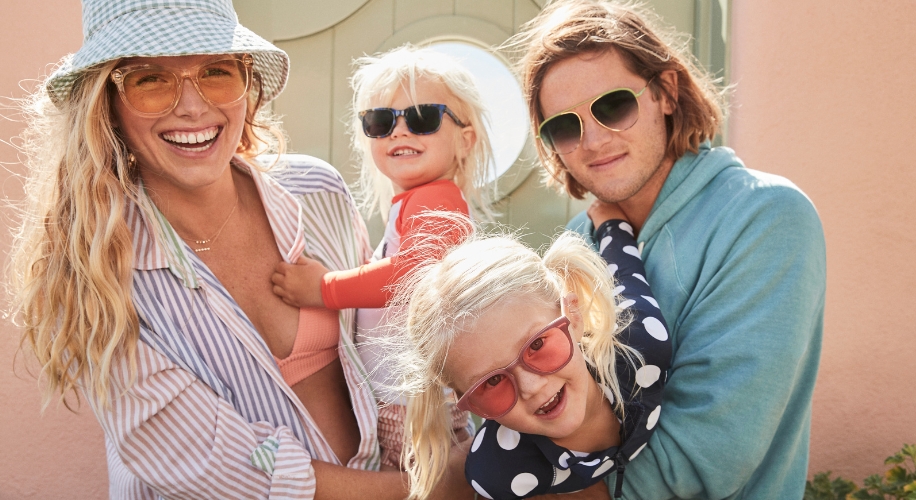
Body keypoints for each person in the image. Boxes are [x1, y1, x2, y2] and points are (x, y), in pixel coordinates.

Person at [7, 0, 470, 498]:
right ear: (106, 104)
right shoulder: (94, 269)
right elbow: (213, 464)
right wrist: (427, 489)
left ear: (247, 87)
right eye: (150, 79)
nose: (192, 106)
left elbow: (379, 349)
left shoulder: (318, 192)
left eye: (216, 71)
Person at [508, 1, 827, 498]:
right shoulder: (576, 242)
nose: (592, 140)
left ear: (667, 94)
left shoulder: (765, 217)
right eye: (565, 127)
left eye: (613, 106)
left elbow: (702, 462)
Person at [270, 45, 495, 468]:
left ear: (465, 140)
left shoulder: (439, 201)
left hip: (415, 403)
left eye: (423, 118)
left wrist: (322, 287)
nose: (399, 132)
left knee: (422, 483)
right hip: (404, 396)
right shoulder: (417, 203)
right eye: (381, 121)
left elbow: (414, 273)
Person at [385, 217, 671, 499]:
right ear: (461, 397)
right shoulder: (499, 471)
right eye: (493, 380)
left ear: (573, 316)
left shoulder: (643, 351)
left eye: (537, 345)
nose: (531, 387)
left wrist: (610, 222)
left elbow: (625, 274)